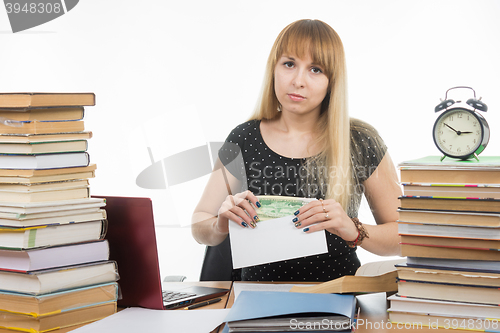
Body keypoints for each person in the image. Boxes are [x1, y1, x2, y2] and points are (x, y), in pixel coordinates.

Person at [191, 19, 401, 282]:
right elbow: (199, 224)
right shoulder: (244, 138)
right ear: (274, 69)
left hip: (337, 297)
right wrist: (219, 224)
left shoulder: (360, 140)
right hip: (256, 302)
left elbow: (404, 236)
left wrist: (353, 229)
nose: (298, 81)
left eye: (315, 69)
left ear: (331, 81)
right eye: (289, 64)